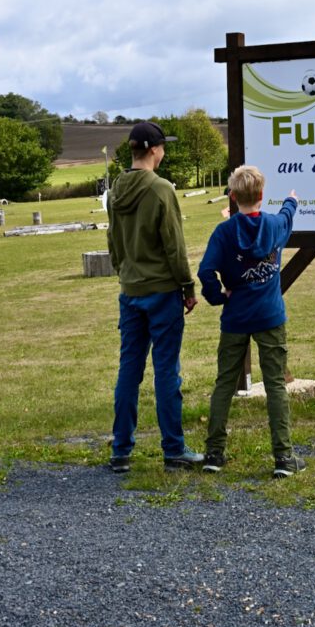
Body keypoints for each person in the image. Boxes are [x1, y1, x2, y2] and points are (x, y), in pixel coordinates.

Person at [107, 120, 203, 474]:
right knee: (166, 371)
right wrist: (187, 287)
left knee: (128, 370)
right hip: (162, 292)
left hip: (130, 291)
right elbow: (174, 246)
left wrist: (125, 272)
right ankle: (174, 449)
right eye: (163, 147)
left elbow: (113, 242)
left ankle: (121, 450)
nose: (164, 153)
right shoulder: (161, 189)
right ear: (152, 150)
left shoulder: (115, 190)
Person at [198, 165, 305, 478]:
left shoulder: (224, 232)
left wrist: (219, 297)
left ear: (232, 196)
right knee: (274, 385)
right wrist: (291, 200)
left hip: (235, 317)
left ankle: (214, 453)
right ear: (261, 195)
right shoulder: (273, 226)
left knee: (224, 384)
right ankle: (283, 457)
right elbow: (287, 215)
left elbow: (205, 272)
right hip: (270, 315)